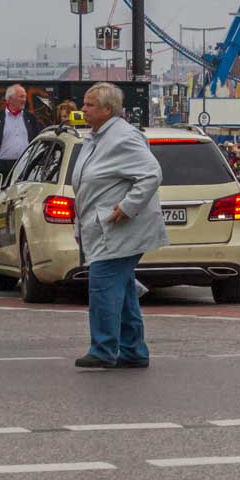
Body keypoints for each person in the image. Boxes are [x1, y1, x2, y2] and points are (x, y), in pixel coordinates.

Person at [72, 82, 167, 370]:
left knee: (103, 285)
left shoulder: (122, 137)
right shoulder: (98, 137)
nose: (83, 109)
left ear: (107, 109)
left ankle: (103, 348)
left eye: (89, 105)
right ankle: (133, 350)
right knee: (122, 288)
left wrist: (127, 207)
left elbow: (151, 173)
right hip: (105, 226)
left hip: (120, 227)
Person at [0, 84, 41, 184]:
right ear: (10, 99)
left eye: (25, 97)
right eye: (21, 96)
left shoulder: (30, 118)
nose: (24, 100)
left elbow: (37, 140)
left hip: (24, 165)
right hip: (2, 166)